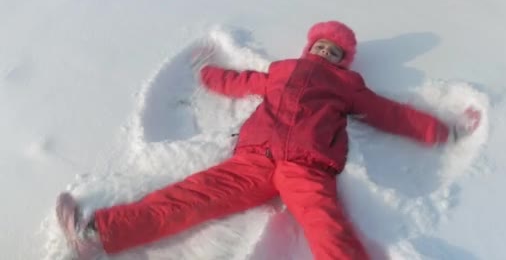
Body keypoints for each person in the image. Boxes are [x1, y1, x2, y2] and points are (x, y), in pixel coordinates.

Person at [56, 21, 469, 260]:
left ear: (344, 61)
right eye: (321, 45)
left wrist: (438, 128)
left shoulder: (349, 87)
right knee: (191, 196)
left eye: (336, 52)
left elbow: (388, 112)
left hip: (306, 165)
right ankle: (100, 233)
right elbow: (244, 82)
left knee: (327, 226)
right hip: (255, 159)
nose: (326, 53)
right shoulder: (283, 70)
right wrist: (211, 76)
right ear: (310, 47)